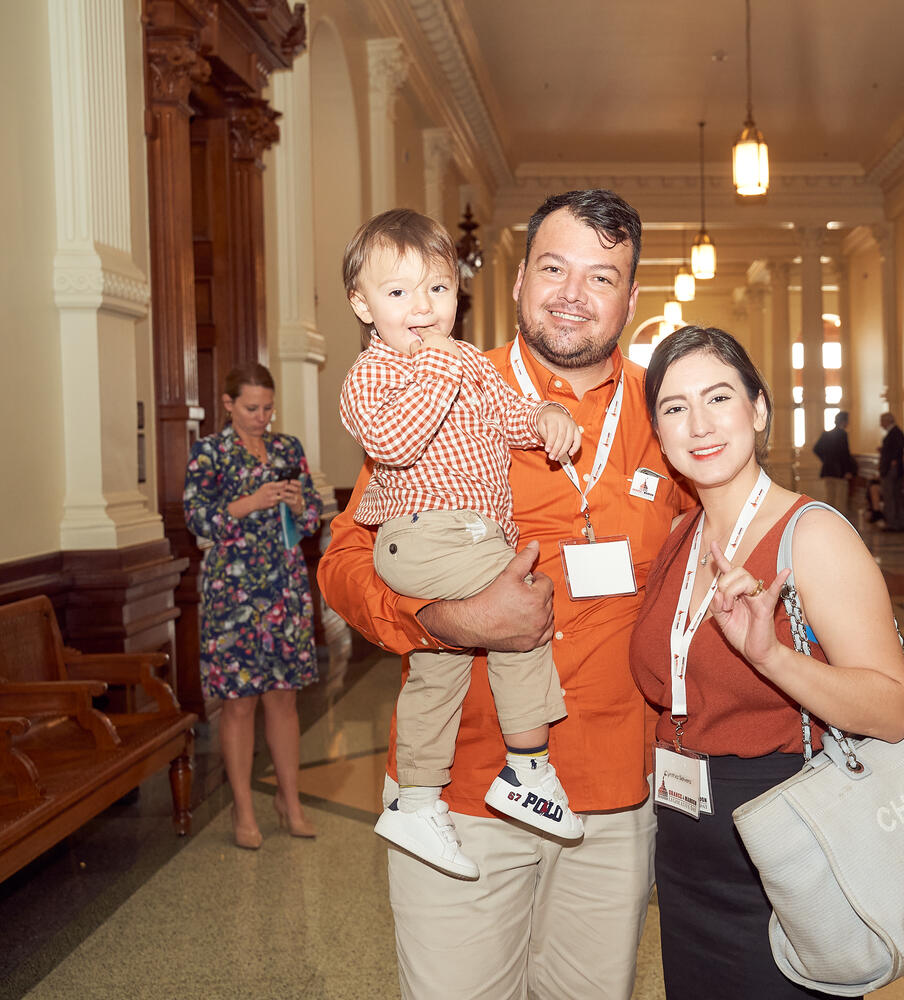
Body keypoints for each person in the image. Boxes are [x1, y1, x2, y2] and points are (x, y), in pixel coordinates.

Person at [318, 190, 694, 1000]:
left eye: (602, 277)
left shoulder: (667, 412)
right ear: (520, 280)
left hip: (610, 797)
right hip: (460, 791)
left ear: (631, 299)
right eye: (554, 268)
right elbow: (346, 558)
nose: (572, 292)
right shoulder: (435, 377)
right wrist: (442, 621)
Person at [629, 326, 904, 999]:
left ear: (758, 409)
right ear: (659, 434)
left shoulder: (810, 535)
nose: (698, 423)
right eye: (674, 408)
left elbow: (894, 710)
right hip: (685, 851)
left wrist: (770, 657)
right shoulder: (678, 538)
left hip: (786, 855)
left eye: (718, 397)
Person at [338, 209, 586, 877]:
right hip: (425, 533)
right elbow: (394, 441)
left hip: (462, 536)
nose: (422, 308)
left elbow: (513, 418)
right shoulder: (376, 373)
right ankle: (529, 768)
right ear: (363, 305)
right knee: (523, 614)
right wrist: (443, 367)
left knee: (438, 670)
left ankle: (416, 801)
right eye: (398, 293)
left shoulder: (470, 362)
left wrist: (550, 415)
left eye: (438, 289)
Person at [183, 363, 322, 850]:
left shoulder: (288, 449)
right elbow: (197, 518)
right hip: (232, 591)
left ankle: (292, 800)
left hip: (283, 585)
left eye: (267, 407)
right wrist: (252, 501)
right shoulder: (210, 452)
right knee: (238, 704)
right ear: (227, 404)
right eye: (251, 408)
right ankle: (244, 811)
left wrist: (300, 504)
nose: (262, 416)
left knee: (283, 697)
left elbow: (311, 520)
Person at [811, 410, 856, 519]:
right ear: (844, 421)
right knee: (840, 500)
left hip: (828, 470)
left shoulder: (826, 434)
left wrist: (825, 460)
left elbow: (816, 449)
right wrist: (848, 471)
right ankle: (840, 524)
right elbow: (845, 454)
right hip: (840, 471)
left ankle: (830, 521)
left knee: (830, 498)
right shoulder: (843, 434)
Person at [878, 412, 904, 532]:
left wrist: (891, 464)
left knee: (890, 496)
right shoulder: (894, 433)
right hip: (893, 470)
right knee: (895, 496)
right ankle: (898, 522)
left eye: (882, 421)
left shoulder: (895, 433)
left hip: (892, 471)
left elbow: (896, 452)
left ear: (887, 421)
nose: (880, 424)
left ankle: (892, 523)